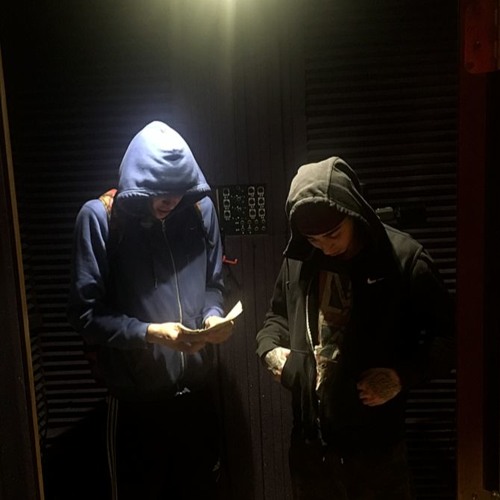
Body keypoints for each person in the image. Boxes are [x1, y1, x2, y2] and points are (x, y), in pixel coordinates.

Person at [256, 156, 455, 500]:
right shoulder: (301, 256)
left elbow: (452, 339)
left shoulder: (404, 259)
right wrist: (270, 351)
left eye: (333, 234)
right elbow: (276, 319)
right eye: (313, 238)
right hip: (310, 446)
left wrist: (400, 376)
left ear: (354, 212)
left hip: (376, 450)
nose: (325, 245)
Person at [68, 121, 234, 500]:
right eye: (160, 192)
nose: (171, 200)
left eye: (179, 190)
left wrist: (212, 315)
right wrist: (148, 333)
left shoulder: (200, 210)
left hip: (197, 396)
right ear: (137, 183)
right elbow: (84, 314)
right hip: (136, 403)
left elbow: (214, 283)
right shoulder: (99, 218)